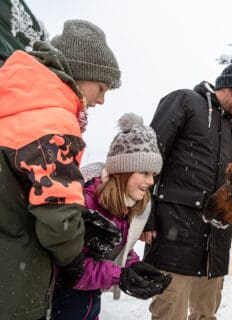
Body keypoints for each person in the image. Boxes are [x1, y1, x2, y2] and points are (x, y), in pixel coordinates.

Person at [0, 20, 121, 320]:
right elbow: (57, 217)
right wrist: (73, 258)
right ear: (81, 75)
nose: (101, 100)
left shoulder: (18, 102)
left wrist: (80, 215)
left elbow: (22, 190)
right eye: (102, 87)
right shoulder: (53, 119)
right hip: (14, 285)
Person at [141, 57, 232, 320]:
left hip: (215, 246)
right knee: (169, 312)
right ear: (228, 87)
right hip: (175, 237)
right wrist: (144, 217)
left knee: (206, 315)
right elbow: (148, 158)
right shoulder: (185, 102)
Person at [52, 113, 172, 320]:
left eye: (153, 174)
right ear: (123, 171)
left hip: (87, 305)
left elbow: (112, 249)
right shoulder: (86, 203)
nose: (151, 181)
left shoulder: (127, 205)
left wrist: (133, 265)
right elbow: (69, 269)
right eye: (144, 172)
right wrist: (120, 275)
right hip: (60, 306)